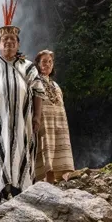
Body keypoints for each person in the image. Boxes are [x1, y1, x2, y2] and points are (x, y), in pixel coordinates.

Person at [0, 0, 45, 206]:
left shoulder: (28, 66)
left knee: (21, 149)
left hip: (22, 119)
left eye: (13, 39)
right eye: (5, 40)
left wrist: (37, 117)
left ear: (18, 44)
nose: (9, 42)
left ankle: (20, 190)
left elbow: (38, 92)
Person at [33, 50, 75, 184]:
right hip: (43, 124)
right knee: (45, 154)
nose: (47, 64)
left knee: (55, 155)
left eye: (50, 62)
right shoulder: (34, 82)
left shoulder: (56, 85)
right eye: (44, 61)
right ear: (38, 64)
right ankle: (44, 185)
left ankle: (52, 185)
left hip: (58, 125)